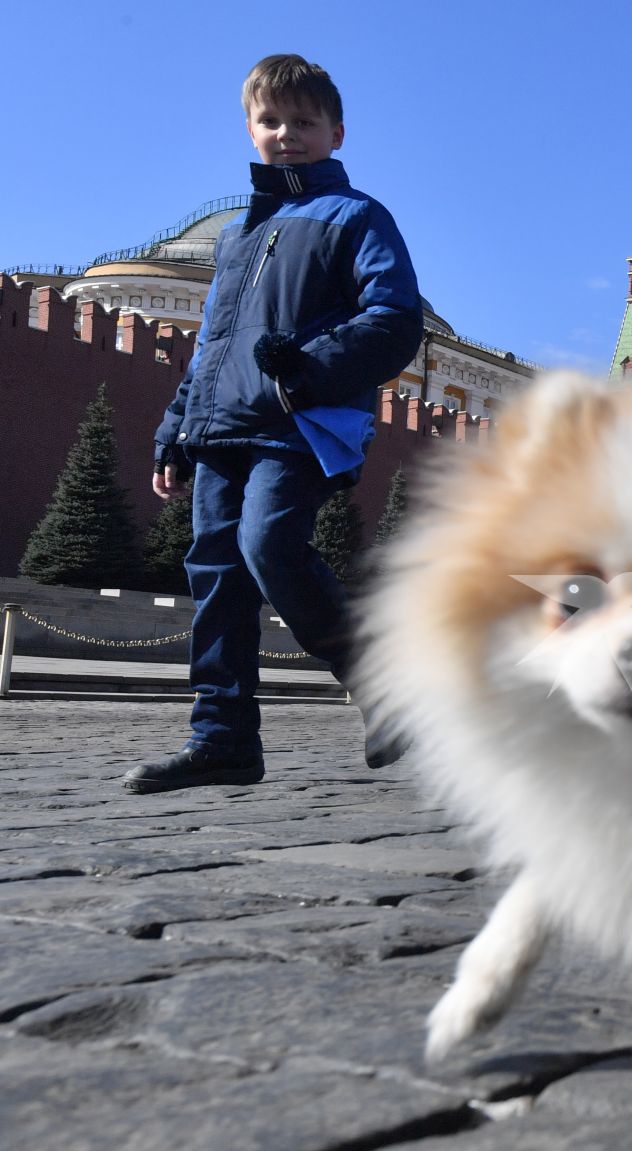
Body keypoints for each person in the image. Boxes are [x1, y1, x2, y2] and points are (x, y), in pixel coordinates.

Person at [124, 55, 423, 793]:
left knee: (269, 545)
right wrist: (173, 428)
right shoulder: (237, 236)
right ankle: (222, 739)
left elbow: (394, 319)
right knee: (217, 579)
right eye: (271, 121)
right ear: (250, 129)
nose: (287, 134)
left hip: (301, 423)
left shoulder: (356, 217)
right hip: (221, 428)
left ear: (336, 132)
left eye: (304, 122)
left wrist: (308, 368)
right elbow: (213, 345)